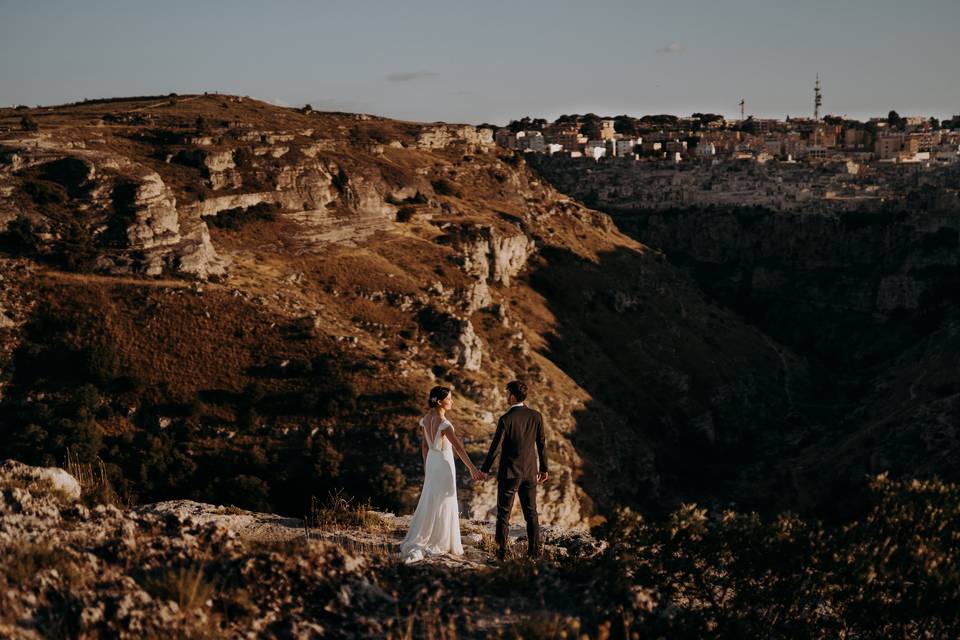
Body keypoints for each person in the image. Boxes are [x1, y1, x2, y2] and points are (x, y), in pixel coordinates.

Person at [400, 386, 481, 563]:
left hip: (431, 460)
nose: (452, 401)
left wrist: (427, 466)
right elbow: (458, 448)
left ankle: (425, 536)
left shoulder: (425, 420)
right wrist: (472, 469)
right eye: (449, 399)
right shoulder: (444, 424)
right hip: (444, 463)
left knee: (430, 497)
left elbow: (424, 446)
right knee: (444, 501)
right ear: (439, 402)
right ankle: (440, 539)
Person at [479, 380, 548, 560]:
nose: (505, 396)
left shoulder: (506, 419)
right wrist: (544, 468)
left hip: (509, 473)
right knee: (531, 513)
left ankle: (500, 554)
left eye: (507, 393)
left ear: (513, 396)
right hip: (530, 472)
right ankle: (533, 554)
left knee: (503, 515)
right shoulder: (536, 416)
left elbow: (495, 448)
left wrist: (484, 470)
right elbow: (541, 444)